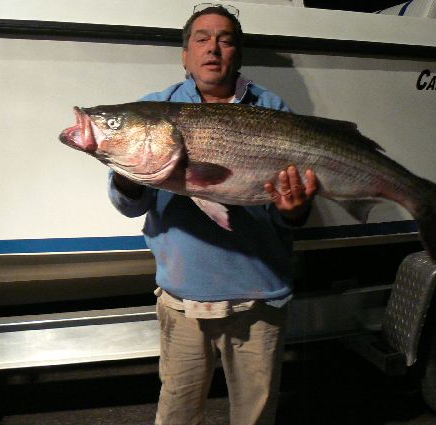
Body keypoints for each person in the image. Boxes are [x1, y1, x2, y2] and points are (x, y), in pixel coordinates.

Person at [108, 4, 318, 425]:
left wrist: (294, 212)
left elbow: (288, 214)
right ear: (185, 55)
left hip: (259, 297)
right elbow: (130, 205)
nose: (213, 49)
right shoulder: (154, 109)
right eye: (201, 39)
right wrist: (129, 176)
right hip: (182, 298)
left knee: (254, 417)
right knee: (177, 415)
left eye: (225, 40)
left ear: (237, 54)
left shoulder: (272, 106)